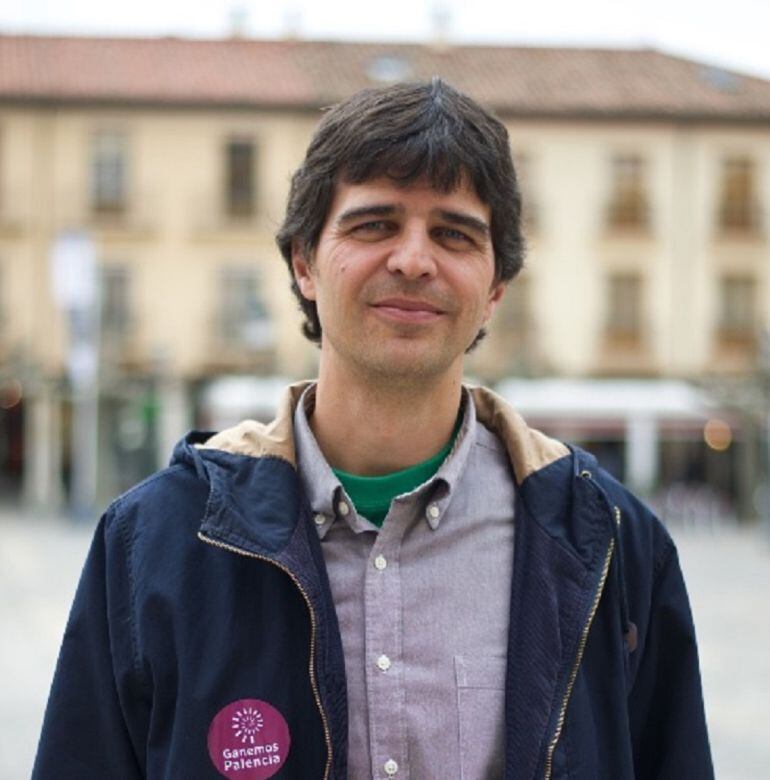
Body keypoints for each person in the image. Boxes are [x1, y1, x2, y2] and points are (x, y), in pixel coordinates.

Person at [34, 79, 713, 779]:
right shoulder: (156, 542)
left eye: (453, 234)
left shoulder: (610, 547)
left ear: (495, 290)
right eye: (374, 224)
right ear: (303, 263)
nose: (414, 259)